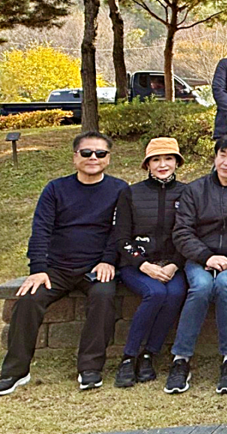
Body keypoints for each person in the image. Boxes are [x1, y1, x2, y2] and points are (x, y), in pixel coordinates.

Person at [0, 132, 127, 396]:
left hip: (95, 267)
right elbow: (41, 229)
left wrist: (107, 261)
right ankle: (15, 371)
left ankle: (90, 368)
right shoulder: (55, 189)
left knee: (104, 296)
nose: (93, 158)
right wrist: (37, 269)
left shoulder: (119, 189)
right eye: (86, 153)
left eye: (100, 153)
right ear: (75, 157)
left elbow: (119, 231)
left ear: (108, 158)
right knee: (28, 298)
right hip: (56, 268)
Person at [166, 135, 227, 395]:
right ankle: (180, 359)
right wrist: (207, 257)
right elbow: (182, 232)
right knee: (201, 286)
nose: (226, 162)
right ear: (215, 156)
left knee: (226, 284)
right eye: (222, 155)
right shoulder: (195, 190)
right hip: (200, 256)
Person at [113, 138, 187, 389]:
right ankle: (129, 356)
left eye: (168, 159)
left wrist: (174, 264)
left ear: (177, 162)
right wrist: (143, 265)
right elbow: (120, 237)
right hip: (137, 265)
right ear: (147, 165)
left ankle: (149, 355)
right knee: (155, 293)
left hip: (172, 265)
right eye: (156, 159)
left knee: (175, 292)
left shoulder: (188, 192)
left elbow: (190, 235)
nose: (163, 164)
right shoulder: (130, 193)